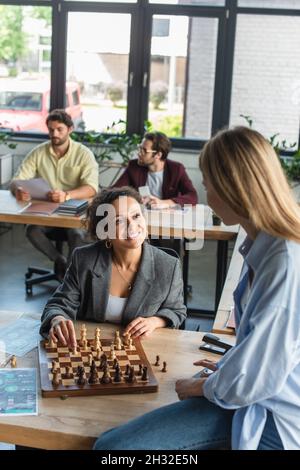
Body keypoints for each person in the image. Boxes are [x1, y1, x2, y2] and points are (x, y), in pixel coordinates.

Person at [93, 126, 300, 450]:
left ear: (234, 188)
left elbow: (257, 380)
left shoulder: (283, 262)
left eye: (209, 182)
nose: (205, 192)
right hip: (255, 392)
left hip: (273, 414)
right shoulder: (262, 244)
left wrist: (201, 387)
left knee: (113, 450)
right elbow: (267, 347)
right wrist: (231, 364)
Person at [40, 186, 186, 346]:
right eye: (119, 221)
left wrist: (155, 321)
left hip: (144, 349)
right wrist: (57, 319)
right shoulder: (84, 259)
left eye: (136, 216)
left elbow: (177, 311)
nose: (131, 225)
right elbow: (59, 304)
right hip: (90, 348)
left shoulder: (168, 265)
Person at [10, 109, 98, 279]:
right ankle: (60, 261)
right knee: (31, 229)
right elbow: (17, 180)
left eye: (59, 129)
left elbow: (91, 188)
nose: (54, 134)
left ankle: (72, 276)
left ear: (70, 129)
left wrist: (67, 195)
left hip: (74, 208)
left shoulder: (84, 154)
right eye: (51, 130)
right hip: (46, 209)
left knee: (77, 234)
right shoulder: (38, 152)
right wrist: (18, 190)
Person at [113, 131, 198, 209]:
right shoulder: (134, 166)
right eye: (140, 148)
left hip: (168, 217)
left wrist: (164, 203)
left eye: (144, 151)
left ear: (158, 155)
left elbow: (192, 196)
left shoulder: (176, 169)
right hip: (141, 216)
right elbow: (115, 191)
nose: (139, 153)